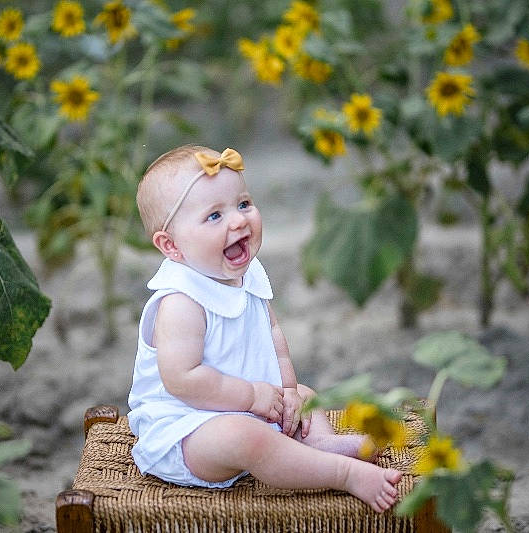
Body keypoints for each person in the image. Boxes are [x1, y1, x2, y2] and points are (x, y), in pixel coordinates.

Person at [127, 145, 402, 512]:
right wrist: (251, 397)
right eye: (214, 216)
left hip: (248, 402)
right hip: (186, 429)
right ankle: (341, 473)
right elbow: (183, 379)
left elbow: (274, 338)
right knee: (247, 437)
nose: (238, 221)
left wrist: (285, 390)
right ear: (171, 245)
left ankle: (319, 444)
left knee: (306, 394)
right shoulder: (181, 301)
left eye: (243, 204)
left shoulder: (248, 274)